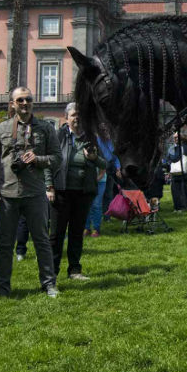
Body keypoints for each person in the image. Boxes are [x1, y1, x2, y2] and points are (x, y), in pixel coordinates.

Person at [0, 87, 61, 300]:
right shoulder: (2, 128)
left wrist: (38, 160)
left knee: (42, 240)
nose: (25, 103)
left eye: (28, 99)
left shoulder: (45, 128)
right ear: (12, 104)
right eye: (20, 100)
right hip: (8, 194)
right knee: (5, 244)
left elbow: (57, 158)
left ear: (33, 103)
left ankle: (49, 284)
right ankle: (2, 289)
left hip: (35, 193)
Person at [50, 103, 106, 281]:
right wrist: (48, 186)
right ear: (66, 118)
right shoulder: (58, 136)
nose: (77, 118)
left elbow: (105, 164)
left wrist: (94, 157)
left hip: (83, 192)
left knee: (76, 232)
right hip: (61, 190)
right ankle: (52, 271)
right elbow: (48, 164)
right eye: (74, 115)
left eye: (80, 114)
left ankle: (74, 269)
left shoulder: (91, 138)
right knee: (56, 234)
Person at [85, 133, 118, 237]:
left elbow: (103, 171)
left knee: (96, 204)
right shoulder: (86, 149)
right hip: (88, 181)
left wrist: (96, 179)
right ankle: (86, 228)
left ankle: (96, 229)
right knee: (87, 204)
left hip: (100, 181)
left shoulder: (101, 153)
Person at [167, 131, 187, 211]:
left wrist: (169, 156)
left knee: (176, 190)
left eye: (176, 137)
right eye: (174, 137)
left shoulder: (177, 148)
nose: (174, 139)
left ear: (181, 138)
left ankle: (179, 207)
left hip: (177, 172)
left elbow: (174, 158)